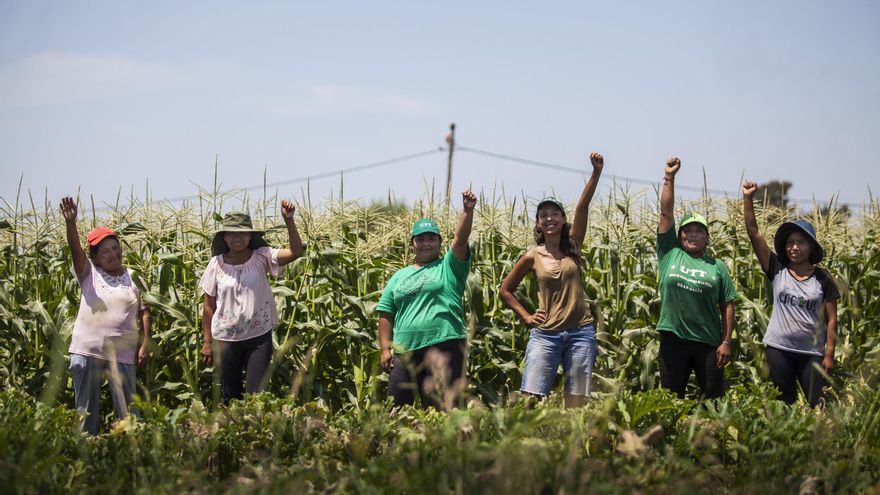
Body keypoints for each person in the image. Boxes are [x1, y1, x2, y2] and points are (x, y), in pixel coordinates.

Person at [499, 152, 604, 407]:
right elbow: (505, 290)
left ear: (563, 219)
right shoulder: (532, 256)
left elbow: (583, 207)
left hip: (580, 332)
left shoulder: (574, 246)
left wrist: (596, 172)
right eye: (543, 214)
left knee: (577, 400)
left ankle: (572, 444)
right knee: (531, 399)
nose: (549, 218)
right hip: (545, 334)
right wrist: (526, 316)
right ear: (538, 222)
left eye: (554, 213)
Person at [742, 181, 839, 406]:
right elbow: (753, 232)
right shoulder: (777, 269)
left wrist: (829, 354)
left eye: (801, 243)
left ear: (811, 247)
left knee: (820, 405)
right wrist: (748, 199)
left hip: (811, 353)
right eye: (790, 243)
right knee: (783, 406)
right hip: (779, 351)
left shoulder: (823, 278)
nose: (794, 247)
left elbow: (832, 320)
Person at [377, 190, 476, 409]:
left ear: (440, 242)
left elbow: (461, 240)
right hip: (405, 352)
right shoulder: (399, 276)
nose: (426, 244)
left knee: (443, 408)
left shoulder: (449, 266)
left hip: (444, 347)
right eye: (420, 239)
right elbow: (386, 312)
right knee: (397, 410)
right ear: (413, 243)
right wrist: (385, 349)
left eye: (431, 239)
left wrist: (467, 211)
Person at [60, 197, 151, 435]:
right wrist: (71, 224)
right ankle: (85, 460)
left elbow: (145, 311)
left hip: (122, 353)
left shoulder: (133, 276)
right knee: (86, 411)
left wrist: (145, 345)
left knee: (129, 410)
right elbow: (75, 249)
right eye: (105, 252)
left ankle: (133, 456)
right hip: (88, 350)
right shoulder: (89, 273)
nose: (112, 254)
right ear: (95, 258)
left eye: (115, 248)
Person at [198, 202, 303, 403]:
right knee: (230, 396)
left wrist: (289, 221)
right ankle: (233, 433)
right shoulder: (216, 264)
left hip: (258, 337)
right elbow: (209, 306)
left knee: (257, 395)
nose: (237, 238)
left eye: (242, 234)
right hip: (226, 339)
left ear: (250, 236)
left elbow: (295, 252)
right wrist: (207, 341)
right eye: (231, 234)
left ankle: (257, 432)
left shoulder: (263, 257)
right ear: (224, 238)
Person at [656, 157, 737, 399]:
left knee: (713, 399)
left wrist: (726, 342)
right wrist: (670, 177)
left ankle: (713, 437)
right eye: (688, 230)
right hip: (673, 339)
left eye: (699, 231)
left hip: (708, 342)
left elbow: (728, 304)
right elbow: (665, 213)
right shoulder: (670, 253)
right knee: (670, 399)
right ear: (679, 236)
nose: (693, 234)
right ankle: (670, 437)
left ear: (707, 237)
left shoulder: (717, 266)